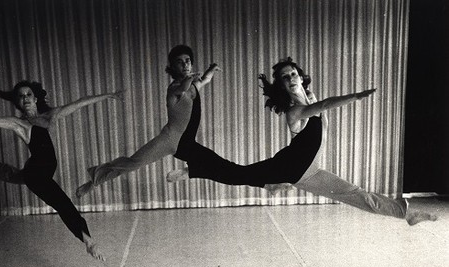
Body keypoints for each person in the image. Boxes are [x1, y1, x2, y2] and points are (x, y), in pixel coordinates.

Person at [166, 58, 436, 225]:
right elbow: (326, 106)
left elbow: (322, 125)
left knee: (357, 194)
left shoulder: (311, 97)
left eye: (293, 74)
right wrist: (354, 97)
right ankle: (194, 170)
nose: (290, 78)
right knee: (237, 173)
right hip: (289, 167)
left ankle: (404, 212)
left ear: (301, 77)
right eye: (285, 77)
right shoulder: (295, 112)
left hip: (310, 171)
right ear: (282, 86)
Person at [0, 81, 123, 260]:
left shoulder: (52, 115)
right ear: (17, 102)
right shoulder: (20, 124)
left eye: (28, 94)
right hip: (36, 173)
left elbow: (80, 102)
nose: (25, 98)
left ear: (36, 97)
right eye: (21, 96)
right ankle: (89, 242)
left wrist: (108, 95)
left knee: (17, 176)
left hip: (42, 172)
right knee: (61, 202)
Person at [75, 44, 221, 198]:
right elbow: (182, 89)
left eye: (188, 61)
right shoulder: (174, 88)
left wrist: (211, 69)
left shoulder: (194, 85)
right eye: (180, 62)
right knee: (133, 163)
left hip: (185, 143)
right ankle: (94, 180)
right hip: (168, 140)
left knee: (213, 162)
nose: (185, 64)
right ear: (173, 67)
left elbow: (205, 79)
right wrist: (190, 77)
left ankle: (187, 172)